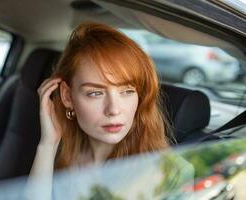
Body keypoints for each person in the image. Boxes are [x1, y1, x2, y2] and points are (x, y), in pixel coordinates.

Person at [27, 22, 172, 199]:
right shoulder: (64, 154)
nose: (113, 109)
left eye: (127, 91)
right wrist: (48, 145)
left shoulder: (165, 171)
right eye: (95, 93)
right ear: (67, 96)